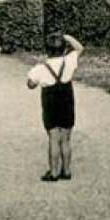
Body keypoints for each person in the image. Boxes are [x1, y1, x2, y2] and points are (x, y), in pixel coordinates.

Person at [27, 31, 84, 182]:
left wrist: (38, 69)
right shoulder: (69, 61)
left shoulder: (40, 68)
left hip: (50, 102)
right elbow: (79, 48)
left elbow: (30, 84)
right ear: (64, 49)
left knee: (53, 138)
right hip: (67, 100)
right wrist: (67, 37)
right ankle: (66, 171)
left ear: (46, 50)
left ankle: (53, 173)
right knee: (66, 138)